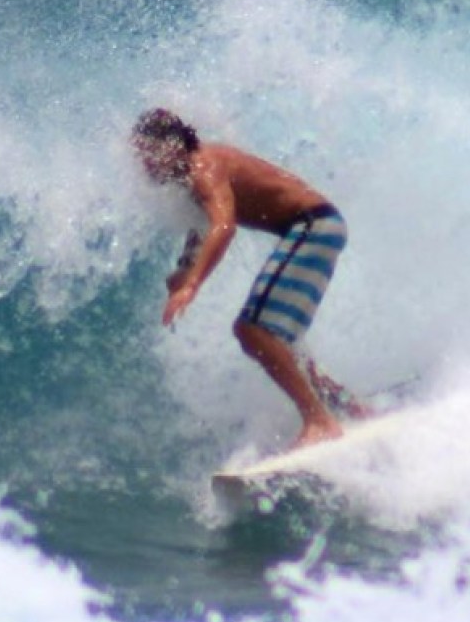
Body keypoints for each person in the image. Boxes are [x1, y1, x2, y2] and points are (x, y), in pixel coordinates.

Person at [132, 107, 367, 449]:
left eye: (148, 154)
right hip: (318, 226)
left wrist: (193, 286)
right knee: (277, 340)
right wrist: (185, 270)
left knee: (253, 330)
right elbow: (201, 228)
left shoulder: (203, 166)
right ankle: (349, 407)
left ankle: (319, 422)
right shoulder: (193, 174)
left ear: (170, 147)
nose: (144, 165)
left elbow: (223, 226)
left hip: (314, 225)